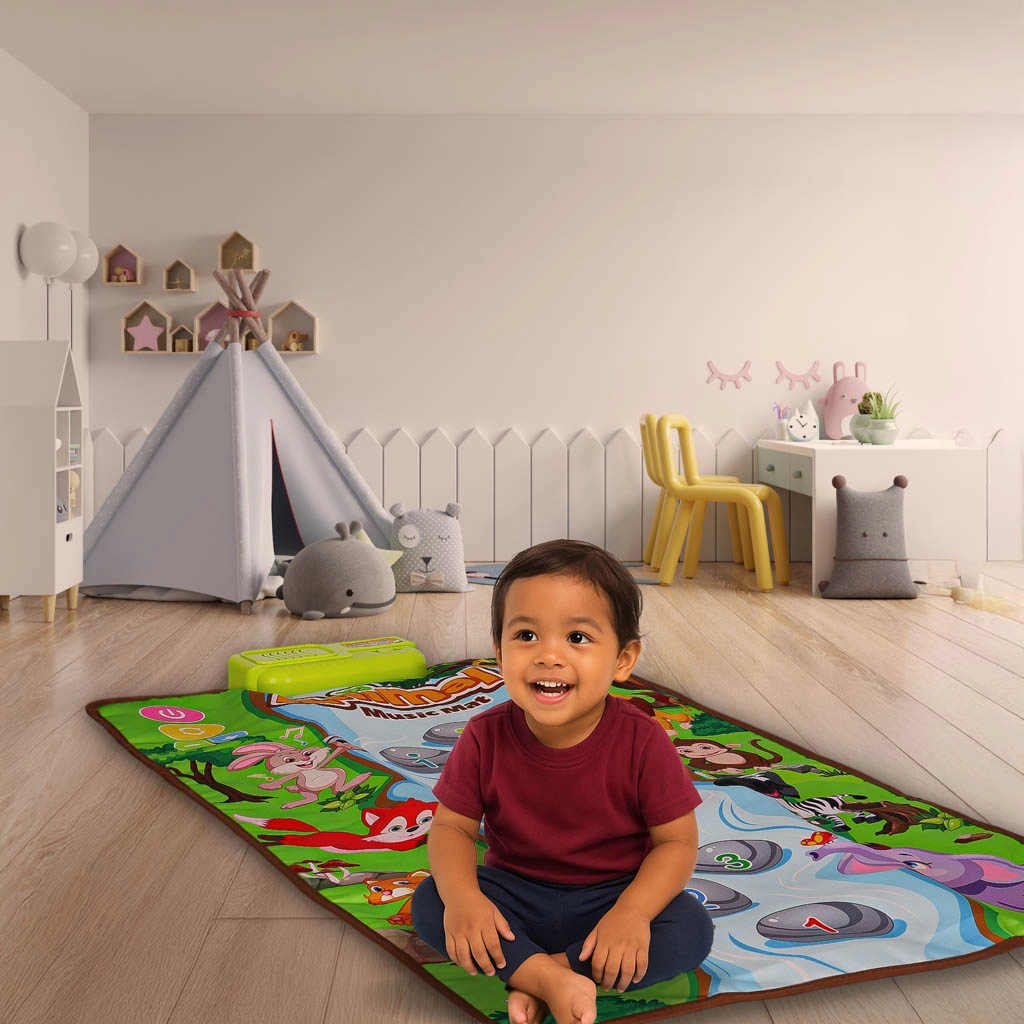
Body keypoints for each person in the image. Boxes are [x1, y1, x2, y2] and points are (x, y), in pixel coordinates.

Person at [412, 539, 713, 1024]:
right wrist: (465, 900)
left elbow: (676, 843)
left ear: (623, 659)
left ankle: (538, 975)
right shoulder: (484, 735)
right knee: (432, 902)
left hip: (612, 898)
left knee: (690, 929)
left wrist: (633, 914)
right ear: (499, 652)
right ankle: (552, 977)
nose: (549, 656)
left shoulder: (643, 741)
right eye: (527, 635)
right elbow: (452, 829)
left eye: (577, 637)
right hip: (514, 895)